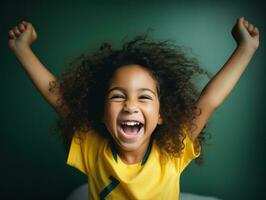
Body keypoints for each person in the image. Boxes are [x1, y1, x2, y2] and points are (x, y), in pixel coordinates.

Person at [8, 17, 259, 199]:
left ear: (162, 115)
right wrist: (22, 49)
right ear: (101, 111)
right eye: (118, 96)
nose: (130, 105)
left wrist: (246, 48)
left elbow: (209, 100)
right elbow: (58, 97)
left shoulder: (172, 152)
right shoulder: (93, 147)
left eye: (144, 97)